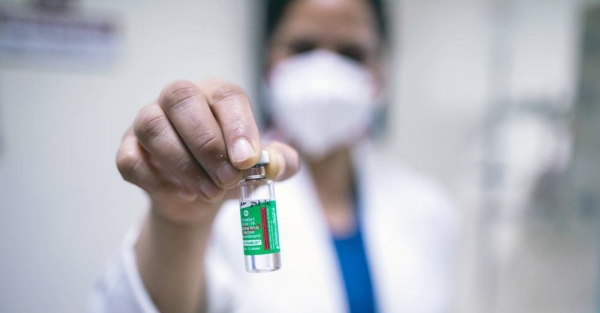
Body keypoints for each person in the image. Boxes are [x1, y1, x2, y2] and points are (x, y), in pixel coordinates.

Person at [90, 0, 457, 312]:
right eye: (302, 48)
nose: (325, 71)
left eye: (352, 54)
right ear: (269, 63)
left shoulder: (428, 208)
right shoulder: (222, 192)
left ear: (380, 72)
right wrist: (179, 224)